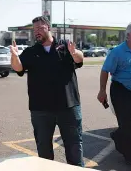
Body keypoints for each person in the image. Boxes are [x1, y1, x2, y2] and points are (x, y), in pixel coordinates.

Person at [10, 16, 84, 167]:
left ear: (48, 28)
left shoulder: (64, 46)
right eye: (34, 29)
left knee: (74, 148)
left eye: (40, 28)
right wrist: (14, 56)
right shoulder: (31, 51)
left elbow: (79, 59)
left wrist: (74, 52)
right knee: (44, 152)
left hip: (68, 107)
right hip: (41, 110)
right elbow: (18, 68)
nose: (36, 32)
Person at [97, 22, 131, 168]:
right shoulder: (117, 52)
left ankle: (118, 135)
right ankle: (130, 157)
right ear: (128, 36)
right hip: (121, 91)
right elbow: (105, 71)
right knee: (126, 125)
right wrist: (102, 90)